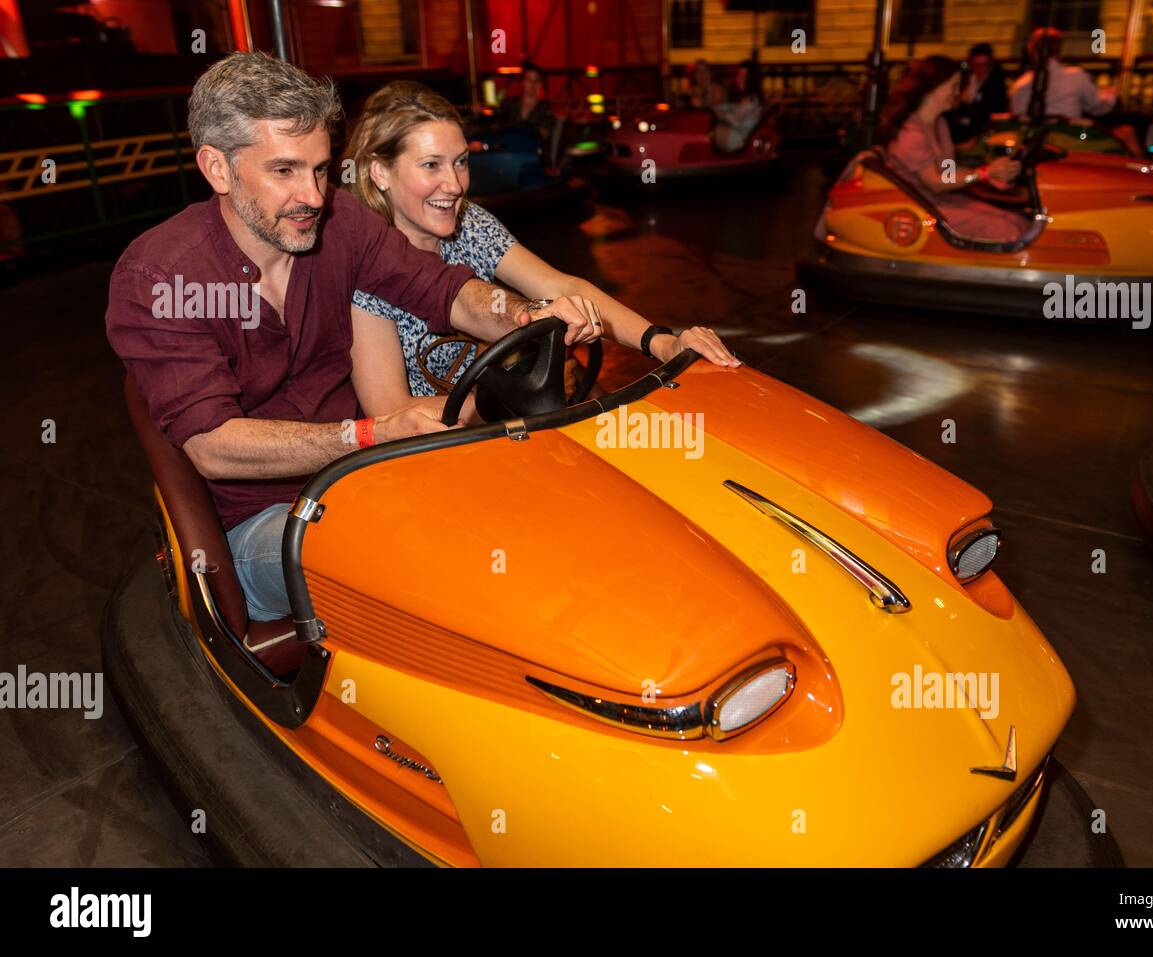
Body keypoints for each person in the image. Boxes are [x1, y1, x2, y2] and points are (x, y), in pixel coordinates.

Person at [105, 52, 602, 622]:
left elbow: (444, 290)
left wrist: (525, 314)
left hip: (366, 481)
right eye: (285, 170)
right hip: (261, 520)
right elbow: (213, 446)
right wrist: (371, 433)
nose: (313, 196)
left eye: (320, 169)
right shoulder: (160, 276)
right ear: (218, 169)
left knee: (543, 506)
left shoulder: (339, 223)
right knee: (434, 561)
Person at [342, 80, 738, 413]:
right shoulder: (368, 263)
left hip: (503, 423)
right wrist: (512, 393)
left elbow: (562, 288)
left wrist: (663, 342)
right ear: (380, 171)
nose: (455, 184)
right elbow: (391, 413)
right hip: (430, 456)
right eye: (431, 165)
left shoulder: (470, 224)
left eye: (461, 162)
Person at [878, 56, 1028, 244]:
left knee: (1018, 221)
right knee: (1006, 229)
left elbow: (948, 173)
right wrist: (983, 173)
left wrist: (991, 177)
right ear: (933, 87)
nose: (957, 93)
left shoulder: (939, 124)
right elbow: (934, 182)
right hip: (921, 210)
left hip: (941, 201)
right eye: (954, 86)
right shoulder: (911, 132)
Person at [1009, 27, 1140, 155]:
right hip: (1072, 141)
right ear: (1059, 49)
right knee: (1127, 132)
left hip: (1032, 143)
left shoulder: (1019, 84)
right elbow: (1097, 107)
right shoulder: (1075, 76)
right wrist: (1110, 94)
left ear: (1032, 50)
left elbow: (1017, 117)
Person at [946, 42, 1008, 144]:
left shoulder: (995, 84)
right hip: (959, 130)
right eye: (976, 65)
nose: (980, 69)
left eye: (984, 65)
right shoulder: (965, 79)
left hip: (981, 132)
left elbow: (990, 112)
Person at [712, 60, 764, 154]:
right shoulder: (750, 98)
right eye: (739, 75)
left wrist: (714, 112)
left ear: (752, 79)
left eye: (744, 76)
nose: (739, 79)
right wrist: (717, 108)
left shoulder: (751, 101)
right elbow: (731, 107)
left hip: (737, 141)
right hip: (736, 136)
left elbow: (732, 119)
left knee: (705, 133)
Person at [497, 60, 555, 142]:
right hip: (507, 150)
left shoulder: (545, 108)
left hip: (532, 152)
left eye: (537, 81)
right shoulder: (509, 104)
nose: (533, 84)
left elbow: (543, 135)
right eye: (529, 80)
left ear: (541, 84)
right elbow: (496, 125)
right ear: (523, 82)